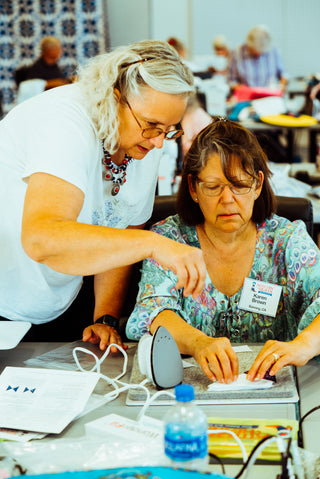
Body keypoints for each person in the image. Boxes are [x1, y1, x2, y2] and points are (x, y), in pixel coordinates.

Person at [0, 40, 207, 348]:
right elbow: (42, 238)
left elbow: (123, 229)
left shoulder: (143, 143)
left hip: (59, 298)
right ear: (114, 98)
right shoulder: (65, 122)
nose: (158, 143)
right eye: (151, 126)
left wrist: (105, 318)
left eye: (168, 129)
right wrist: (153, 244)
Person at [126, 117, 320, 384]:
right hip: (189, 390)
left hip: (276, 390)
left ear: (258, 184)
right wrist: (198, 343)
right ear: (193, 187)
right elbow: (155, 311)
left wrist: (304, 344)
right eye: (213, 187)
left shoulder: (286, 241)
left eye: (239, 185)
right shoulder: (169, 239)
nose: (227, 200)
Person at [228, 25, 288, 91]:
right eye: (255, 51)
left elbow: (284, 74)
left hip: (269, 95)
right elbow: (231, 81)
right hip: (245, 97)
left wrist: (281, 86)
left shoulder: (274, 51)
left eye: (262, 52)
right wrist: (246, 91)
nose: (258, 55)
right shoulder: (237, 52)